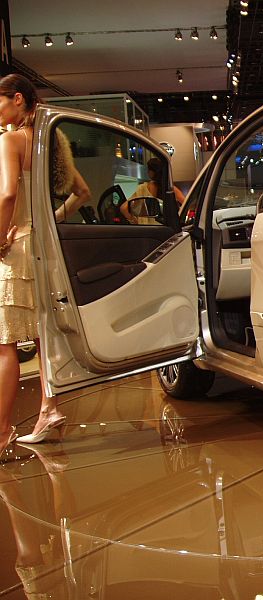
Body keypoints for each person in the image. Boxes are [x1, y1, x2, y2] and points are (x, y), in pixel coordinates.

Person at [0, 74, 84, 452]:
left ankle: (1, 433)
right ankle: (49, 409)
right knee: (43, 333)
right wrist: (49, 223)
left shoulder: (10, 140)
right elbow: (82, 194)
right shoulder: (51, 143)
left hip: (16, 248)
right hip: (45, 247)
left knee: (5, 345)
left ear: (18, 99)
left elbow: (7, 194)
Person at [120, 157, 185, 225]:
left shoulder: (142, 188)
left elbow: (123, 208)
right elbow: (185, 204)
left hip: (147, 231)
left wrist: (133, 221)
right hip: (166, 230)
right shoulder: (169, 188)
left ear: (152, 172)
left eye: (148, 170)